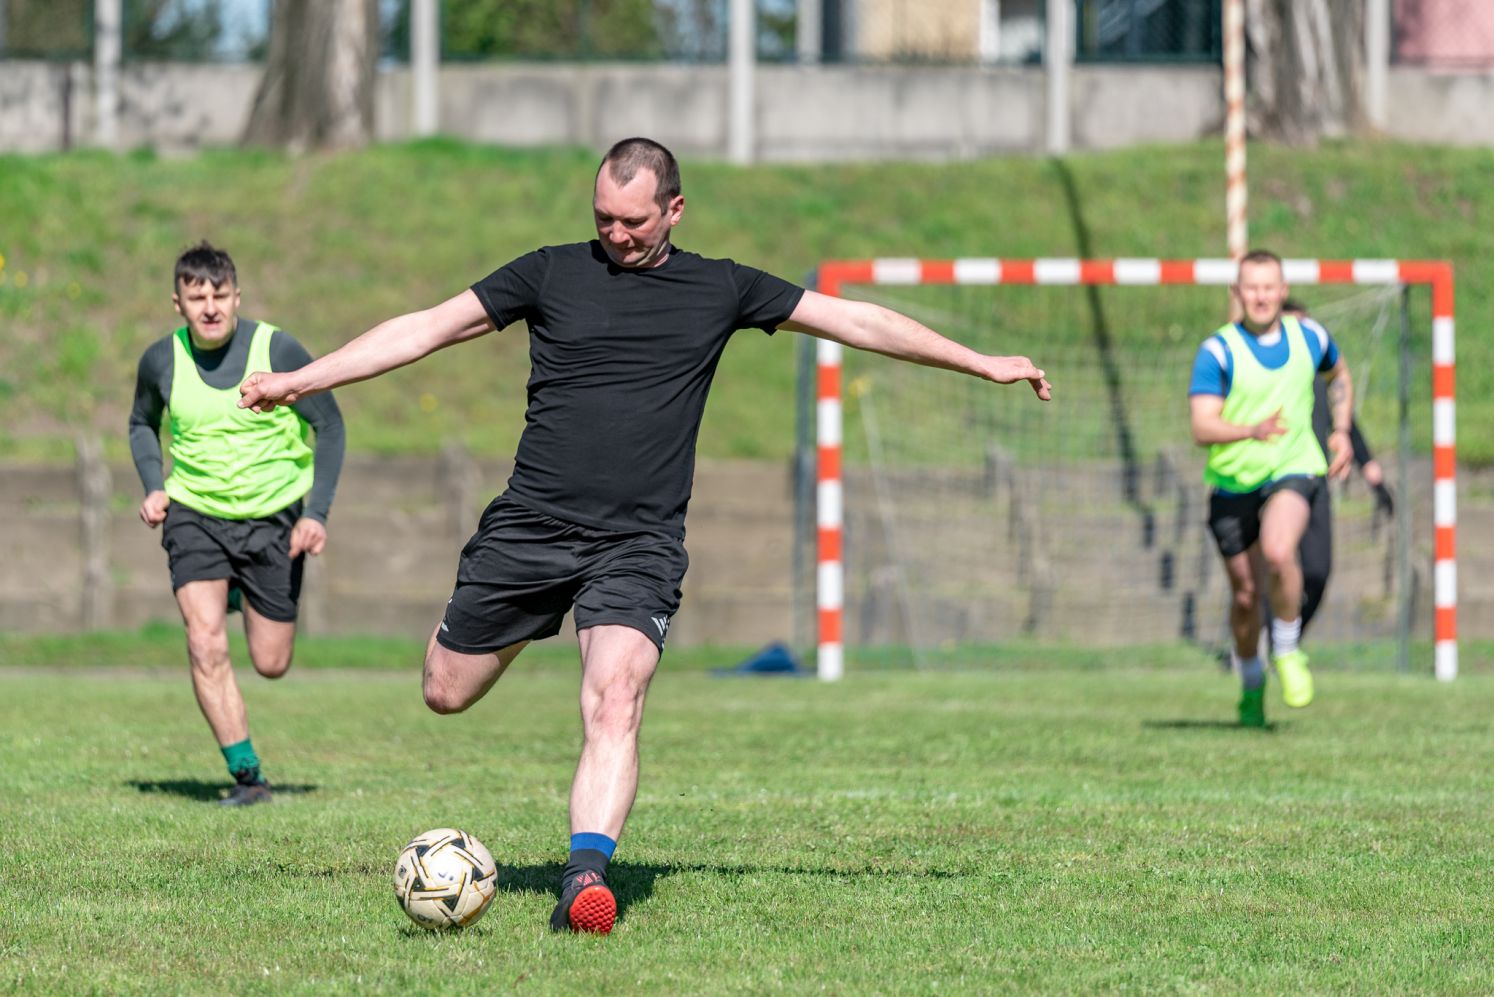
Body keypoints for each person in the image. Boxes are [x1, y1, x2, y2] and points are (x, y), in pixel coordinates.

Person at [238, 137, 1051, 933]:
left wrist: (980, 361)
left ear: (674, 208)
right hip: (530, 526)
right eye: (603, 218)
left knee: (616, 695)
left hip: (639, 543)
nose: (616, 235)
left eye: (633, 221)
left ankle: (585, 878)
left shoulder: (722, 288)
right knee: (444, 690)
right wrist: (300, 380)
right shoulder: (550, 271)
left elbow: (857, 321)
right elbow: (422, 328)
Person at [130, 242, 345, 806]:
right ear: (177, 302)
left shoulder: (277, 348)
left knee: (271, 663)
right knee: (204, 643)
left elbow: (332, 426)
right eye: (196, 296)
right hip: (195, 514)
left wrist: (315, 514)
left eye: (219, 295)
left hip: (275, 518)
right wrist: (154, 485)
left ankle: (236, 593)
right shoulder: (160, 360)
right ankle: (248, 776)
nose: (209, 307)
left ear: (236, 297)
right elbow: (140, 424)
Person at [1188, 249, 1353, 728]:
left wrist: (1340, 430)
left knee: (1280, 552)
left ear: (1282, 291)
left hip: (1294, 467)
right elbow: (1202, 427)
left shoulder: (1311, 337)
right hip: (1233, 480)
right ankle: (1252, 683)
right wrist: (1249, 430)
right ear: (1238, 294)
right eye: (1251, 288)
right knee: (1244, 595)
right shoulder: (1217, 351)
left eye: (1269, 287)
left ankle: (1287, 649)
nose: (1261, 296)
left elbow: (1338, 375)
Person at [1280, 298, 1395, 633]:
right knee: (1273, 564)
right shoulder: (1261, 379)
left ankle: (1285, 643)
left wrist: (1372, 473)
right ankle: (1253, 645)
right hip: (1267, 483)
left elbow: (1347, 427)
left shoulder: (1320, 380)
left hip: (1312, 482)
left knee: (1317, 572)